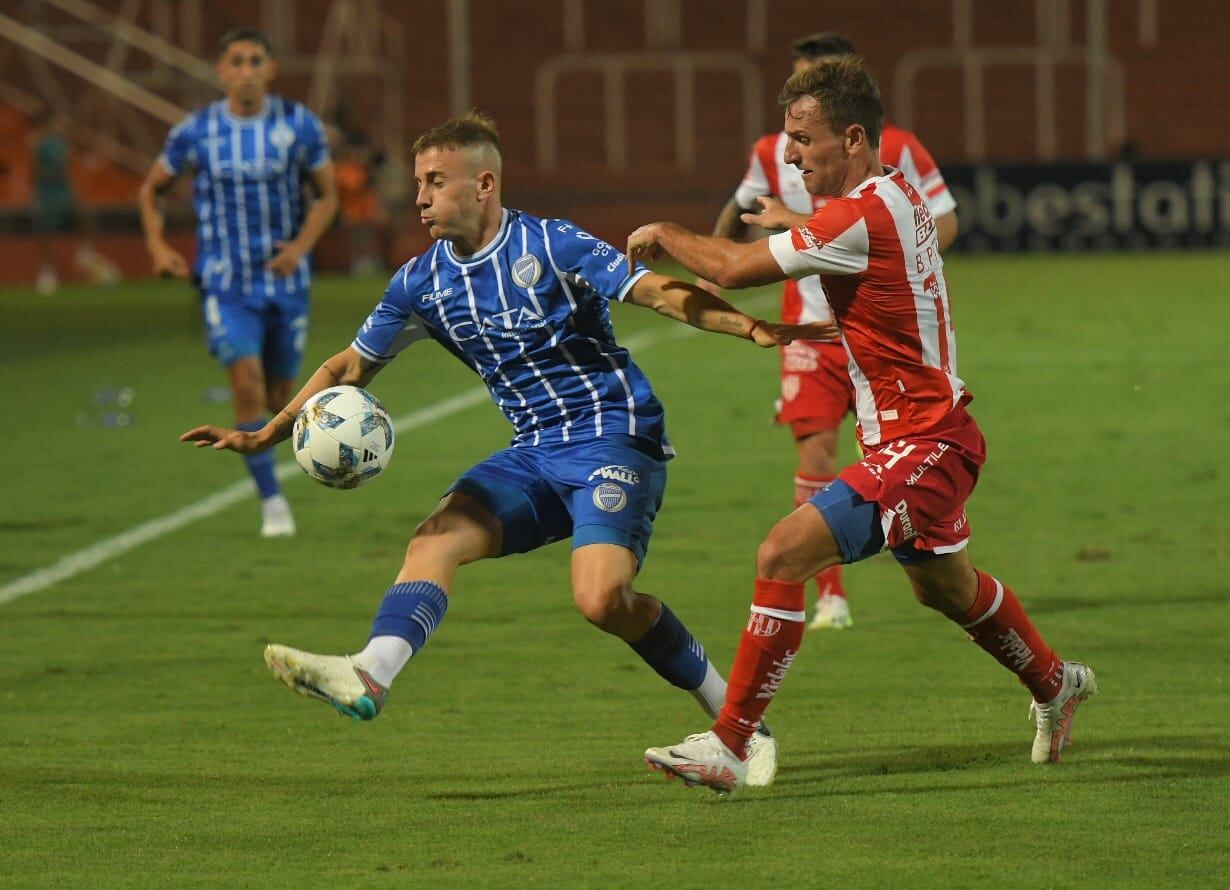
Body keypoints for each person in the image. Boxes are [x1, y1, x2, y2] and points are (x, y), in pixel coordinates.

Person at [180, 112, 835, 787]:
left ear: (483, 183)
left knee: (603, 601)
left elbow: (659, 293)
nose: (421, 197)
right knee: (435, 538)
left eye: (436, 181)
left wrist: (749, 328)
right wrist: (269, 431)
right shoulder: (420, 282)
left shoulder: (551, 247)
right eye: (418, 183)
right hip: (533, 452)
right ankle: (370, 673)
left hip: (613, 434)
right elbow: (350, 366)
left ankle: (741, 725)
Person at [631, 56, 1097, 794]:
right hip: (929, 434)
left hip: (926, 444)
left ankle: (728, 741)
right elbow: (853, 243)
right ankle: (1055, 682)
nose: (787, 154)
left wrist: (664, 232)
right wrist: (802, 224)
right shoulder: (894, 194)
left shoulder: (856, 217)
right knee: (945, 590)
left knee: (782, 553)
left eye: (801, 138)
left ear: (851, 138)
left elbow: (728, 268)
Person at [702, 31, 959, 631]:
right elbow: (744, 208)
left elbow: (937, 219)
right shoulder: (772, 151)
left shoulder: (897, 152)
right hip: (809, 330)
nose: (794, 142)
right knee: (816, 452)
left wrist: (910, 275)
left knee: (937, 570)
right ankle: (831, 596)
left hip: (885, 338)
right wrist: (732, 242)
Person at [140, 27, 339, 537]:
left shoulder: (299, 125)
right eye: (237, 61)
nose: (246, 70)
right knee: (247, 386)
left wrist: (298, 248)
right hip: (227, 286)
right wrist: (160, 247)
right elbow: (152, 191)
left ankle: (332, 458)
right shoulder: (197, 131)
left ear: (270, 70)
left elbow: (327, 197)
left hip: (285, 284)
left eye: (255, 61)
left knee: (281, 397)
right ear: (222, 71)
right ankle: (273, 503)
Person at [30, 108, 120, 295]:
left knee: (84, 215)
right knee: (45, 233)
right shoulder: (38, 143)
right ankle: (47, 272)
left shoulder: (62, 143)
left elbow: (69, 165)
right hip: (46, 192)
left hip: (63, 189)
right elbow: (37, 170)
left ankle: (84, 251)